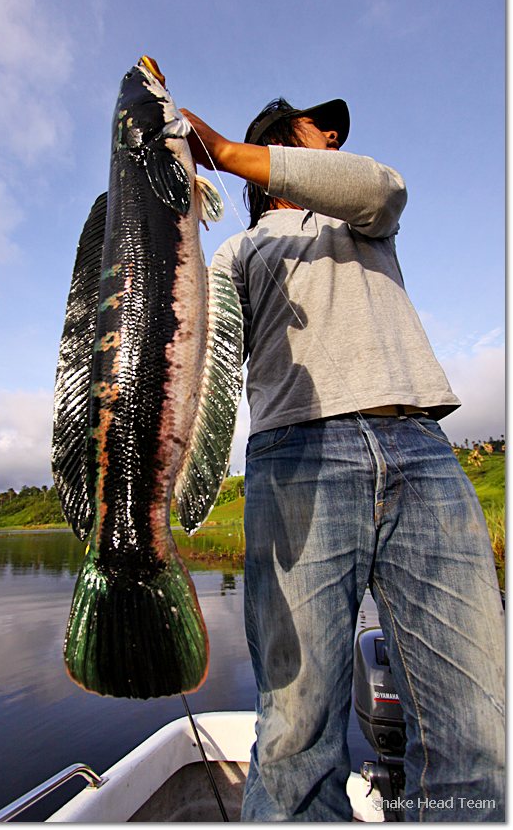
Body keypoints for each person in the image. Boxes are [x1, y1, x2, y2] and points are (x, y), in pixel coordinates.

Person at [182, 98, 505, 822]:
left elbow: (381, 186)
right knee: (296, 734)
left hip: (419, 448)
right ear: (278, 149)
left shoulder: (358, 218)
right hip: (298, 456)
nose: (332, 136)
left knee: (475, 730)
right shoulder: (236, 252)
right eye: (316, 128)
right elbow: (198, 358)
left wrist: (224, 149)